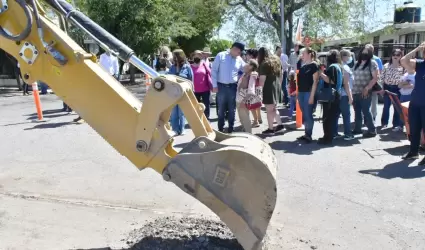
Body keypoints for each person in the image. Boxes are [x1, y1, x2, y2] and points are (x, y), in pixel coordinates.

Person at [211, 42, 245, 133]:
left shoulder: (239, 59)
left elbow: (245, 68)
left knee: (232, 109)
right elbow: (214, 71)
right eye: (239, 52)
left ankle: (231, 128)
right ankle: (220, 129)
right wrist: (214, 85)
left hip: (233, 87)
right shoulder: (221, 55)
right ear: (234, 49)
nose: (239, 54)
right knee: (221, 109)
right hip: (221, 87)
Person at [400, 41, 425, 163]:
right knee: (414, 129)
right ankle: (413, 152)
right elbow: (404, 61)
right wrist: (417, 49)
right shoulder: (420, 64)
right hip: (415, 103)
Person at [315, 50, 344, 145]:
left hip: (330, 96)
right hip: (337, 94)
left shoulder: (332, 67)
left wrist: (321, 73)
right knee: (332, 117)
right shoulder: (339, 67)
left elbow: (331, 81)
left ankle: (327, 138)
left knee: (327, 118)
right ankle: (329, 137)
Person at [352, 46, 378, 138]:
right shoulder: (356, 64)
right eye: (363, 52)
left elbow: (375, 78)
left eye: (367, 52)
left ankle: (372, 130)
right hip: (355, 90)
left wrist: (367, 88)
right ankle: (357, 129)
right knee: (357, 111)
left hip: (365, 91)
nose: (365, 54)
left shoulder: (372, 63)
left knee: (366, 111)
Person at [258, 47, 284, 135]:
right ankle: (280, 125)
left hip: (268, 88)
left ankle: (270, 128)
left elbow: (262, 80)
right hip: (276, 86)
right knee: (274, 108)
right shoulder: (276, 60)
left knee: (269, 110)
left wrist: (259, 92)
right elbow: (281, 76)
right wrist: (279, 87)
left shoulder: (264, 63)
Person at [168, 49, 194, 135]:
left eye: (175, 56)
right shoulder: (172, 67)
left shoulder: (187, 67)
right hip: (173, 93)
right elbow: (168, 79)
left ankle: (182, 128)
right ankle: (175, 129)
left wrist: (191, 92)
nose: (174, 58)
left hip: (183, 93)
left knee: (181, 112)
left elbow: (191, 80)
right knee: (174, 112)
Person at [297, 47, 319, 143]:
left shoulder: (314, 66)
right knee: (305, 114)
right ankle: (306, 134)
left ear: (309, 54)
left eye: (303, 54)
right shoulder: (303, 66)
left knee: (308, 114)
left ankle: (309, 135)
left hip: (308, 93)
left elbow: (315, 82)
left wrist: (312, 96)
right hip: (301, 93)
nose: (302, 56)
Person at [380, 48, 404, 131]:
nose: (395, 56)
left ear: (401, 56)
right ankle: (384, 123)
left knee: (397, 108)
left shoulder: (403, 67)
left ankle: (396, 124)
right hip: (387, 87)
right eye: (394, 54)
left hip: (398, 89)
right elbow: (381, 78)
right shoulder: (386, 66)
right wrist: (382, 89)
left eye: (398, 55)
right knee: (386, 106)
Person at [335, 49, 354, 141]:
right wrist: (350, 97)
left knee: (336, 114)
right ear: (344, 57)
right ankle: (348, 134)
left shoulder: (338, 66)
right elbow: (346, 84)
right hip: (344, 95)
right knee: (346, 115)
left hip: (338, 94)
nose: (350, 58)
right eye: (349, 56)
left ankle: (334, 133)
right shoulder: (345, 68)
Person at [236, 59, 259, 133]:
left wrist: (244, 101)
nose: (245, 64)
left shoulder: (251, 76)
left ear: (251, 67)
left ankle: (249, 136)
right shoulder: (245, 74)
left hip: (243, 100)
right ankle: (246, 133)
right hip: (239, 99)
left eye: (247, 63)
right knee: (243, 119)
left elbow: (251, 92)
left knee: (245, 120)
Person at [191, 50, 212, 119]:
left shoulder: (204, 64)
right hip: (194, 90)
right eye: (196, 55)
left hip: (205, 89)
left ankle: (206, 119)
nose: (198, 56)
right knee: (195, 106)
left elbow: (210, 73)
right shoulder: (189, 66)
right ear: (193, 56)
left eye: (200, 55)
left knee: (206, 105)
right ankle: (197, 120)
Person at [365, 44, 383, 121]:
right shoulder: (363, 59)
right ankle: (366, 116)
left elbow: (380, 71)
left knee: (373, 100)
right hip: (364, 82)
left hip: (373, 82)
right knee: (365, 99)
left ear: (372, 50)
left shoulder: (377, 59)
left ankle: (373, 116)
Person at [246, 48, 262, 127]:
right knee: (257, 104)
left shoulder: (251, 64)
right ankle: (259, 118)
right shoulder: (258, 62)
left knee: (251, 105)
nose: (246, 56)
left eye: (247, 55)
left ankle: (256, 121)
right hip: (258, 87)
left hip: (253, 88)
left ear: (251, 55)